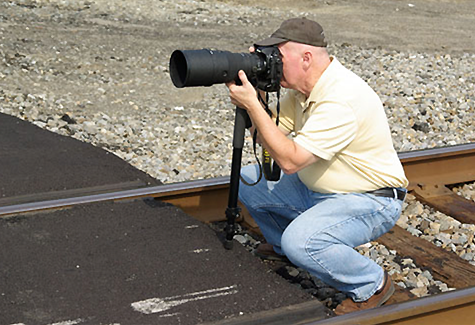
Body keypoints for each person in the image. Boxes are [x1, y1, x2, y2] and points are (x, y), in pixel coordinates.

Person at [225, 17, 409, 315]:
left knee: (302, 241)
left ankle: (371, 283)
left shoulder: (340, 99)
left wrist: (252, 106)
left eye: (277, 58)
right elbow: (267, 136)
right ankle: (286, 249)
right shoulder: (302, 92)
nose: (272, 64)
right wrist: (255, 96)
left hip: (369, 199)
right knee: (250, 180)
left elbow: (289, 159)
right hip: (320, 190)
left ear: (306, 58)